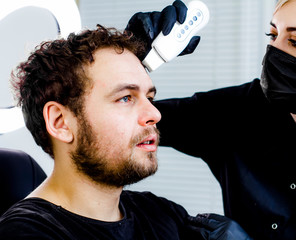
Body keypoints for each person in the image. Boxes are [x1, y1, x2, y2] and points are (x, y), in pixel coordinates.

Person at [126, 0, 296, 239]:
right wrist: (129, 55)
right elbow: (127, 121)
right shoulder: (237, 111)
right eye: (273, 35)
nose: (274, 52)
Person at [0, 25, 251, 240]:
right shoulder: (25, 232)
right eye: (126, 98)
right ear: (60, 122)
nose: (155, 114)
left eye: (150, 97)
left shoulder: (157, 212)